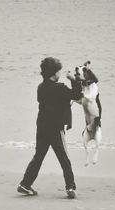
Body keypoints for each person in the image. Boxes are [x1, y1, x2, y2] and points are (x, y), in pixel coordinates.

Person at [17, 57, 83, 199]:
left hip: (42, 126)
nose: (60, 73)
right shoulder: (60, 88)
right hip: (55, 128)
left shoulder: (41, 87)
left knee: (38, 156)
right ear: (55, 73)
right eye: (59, 71)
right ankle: (70, 187)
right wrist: (73, 79)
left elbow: (52, 100)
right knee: (64, 158)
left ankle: (25, 184)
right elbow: (77, 94)